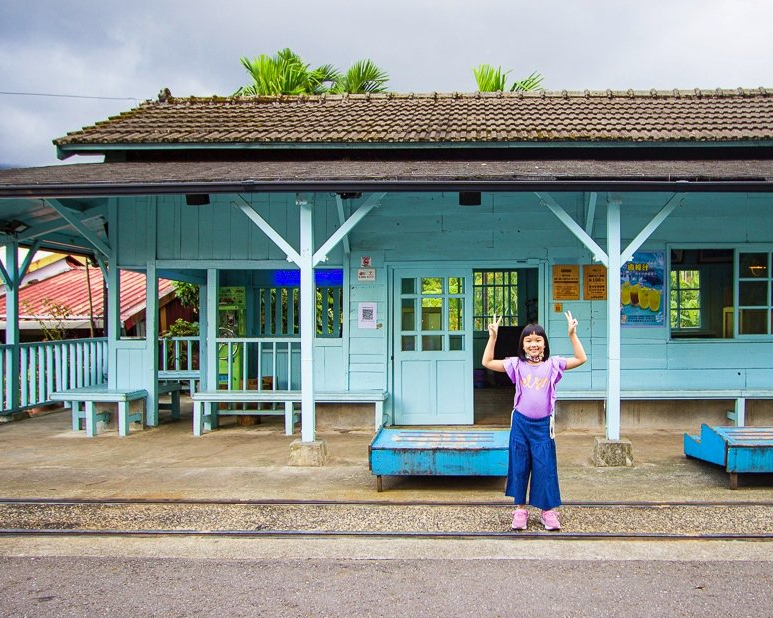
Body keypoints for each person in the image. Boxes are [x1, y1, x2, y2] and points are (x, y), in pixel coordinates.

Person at [482, 311, 587, 531]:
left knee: (545, 467)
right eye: (528, 340)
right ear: (522, 345)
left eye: (538, 340)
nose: (533, 344)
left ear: (544, 344)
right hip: (520, 424)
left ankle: (547, 512)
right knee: (519, 466)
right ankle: (520, 510)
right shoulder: (516, 364)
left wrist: (572, 334)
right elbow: (487, 362)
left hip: (542, 426)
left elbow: (580, 358)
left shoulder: (553, 364)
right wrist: (493, 337)